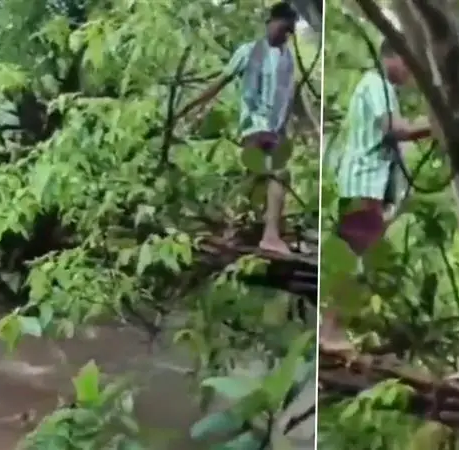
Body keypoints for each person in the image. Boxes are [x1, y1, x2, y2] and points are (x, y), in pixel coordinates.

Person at [319, 40, 431, 351]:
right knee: (352, 260)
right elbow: (397, 129)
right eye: (407, 61)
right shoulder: (376, 84)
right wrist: (437, 125)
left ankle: (334, 328)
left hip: (369, 187)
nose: (409, 70)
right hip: (363, 184)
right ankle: (330, 332)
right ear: (391, 57)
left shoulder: (382, 88)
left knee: (357, 259)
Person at [184, 2, 299, 255]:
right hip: (255, 125)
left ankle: (233, 229)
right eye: (282, 29)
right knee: (279, 173)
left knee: (255, 177)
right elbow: (220, 82)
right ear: (271, 22)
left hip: (276, 128)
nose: (284, 35)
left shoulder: (287, 58)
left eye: (289, 31)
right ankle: (269, 235)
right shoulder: (249, 51)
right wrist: (192, 107)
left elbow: (289, 97)